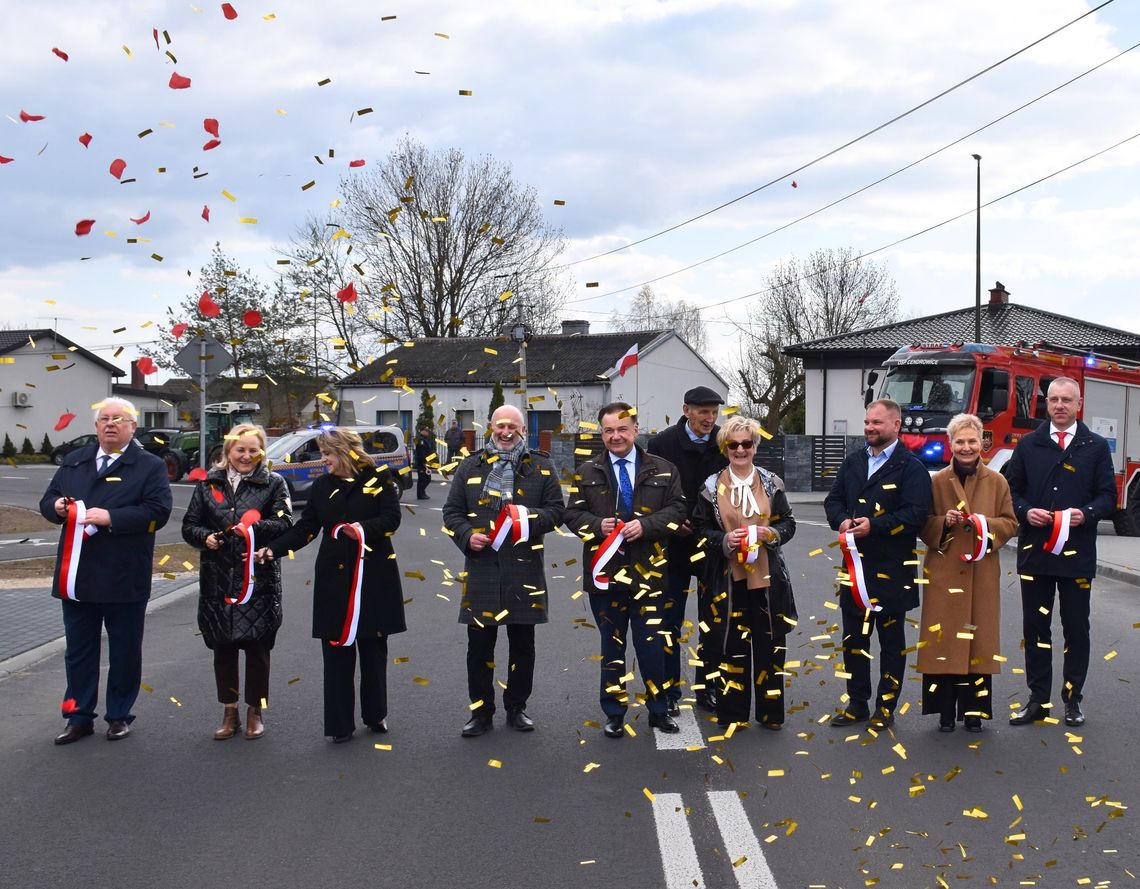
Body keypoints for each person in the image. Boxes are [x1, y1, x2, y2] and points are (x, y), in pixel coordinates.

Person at [259, 427, 406, 743]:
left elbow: (392, 519)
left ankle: (375, 714)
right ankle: (340, 725)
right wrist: (274, 549)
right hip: (334, 579)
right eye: (322, 453)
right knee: (337, 650)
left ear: (346, 452)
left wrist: (362, 529)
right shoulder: (322, 486)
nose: (322, 460)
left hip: (373, 575)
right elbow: (307, 528)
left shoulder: (379, 479)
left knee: (372, 648)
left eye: (327, 454)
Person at [39, 397, 173, 744]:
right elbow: (49, 499)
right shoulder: (75, 461)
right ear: (96, 426)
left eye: (118, 419)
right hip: (78, 574)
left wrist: (111, 517)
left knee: (125, 650)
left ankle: (118, 715)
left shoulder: (149, 466)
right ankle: (78, 716)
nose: (110, 424)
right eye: (104, 419)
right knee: (79, 651)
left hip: (124, 574)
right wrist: (54, 506)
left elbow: (158, 511)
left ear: (132, 427)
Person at [565, 402, 688, 738]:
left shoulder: (663, 469)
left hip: (649, 575)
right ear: (601, 433)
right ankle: (614, 711)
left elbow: (678, 510)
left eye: (622, 429)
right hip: (605, 577)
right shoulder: (587, 471)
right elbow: (572, 515)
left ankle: (659, 709)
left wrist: (645, 526)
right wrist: (595, 525)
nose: (615, 436)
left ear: (635, 430)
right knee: (612, 646)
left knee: (652, 646)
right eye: (608, 430)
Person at [442, 405, 565, 737]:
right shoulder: (470, 466)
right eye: (500, 426)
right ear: (491, 429)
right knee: (479, 646)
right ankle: (481, 712)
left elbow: (556, 511)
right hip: (482, 569)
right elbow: (452, 512)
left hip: (524, 569)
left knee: (522, 645)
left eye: (513, 427)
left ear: (523, 429)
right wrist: (468, 536)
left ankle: (516, 707)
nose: (506, 432)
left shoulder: (540, 466)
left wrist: (524, 520)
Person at [1003, 377, 1115, 728]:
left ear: (1078, 404)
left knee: (1076, 629)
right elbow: (1011, 490)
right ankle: (1038, 699)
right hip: (1035, 553)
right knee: (1036, 628)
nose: (1060, 406)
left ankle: (1073, 699)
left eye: (1067, 400)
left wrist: (1088, 514)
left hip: (1077, 555)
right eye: (1054, 400)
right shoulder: (1029, 444)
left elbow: (1107, 496)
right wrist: (1024, 511)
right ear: (1045, 404)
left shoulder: (1095, 447)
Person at [824, 399, 932, 731]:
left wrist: (876, 525)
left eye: (878, 423)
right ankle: (857, 703)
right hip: (855, 568)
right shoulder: (854, 461)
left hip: (893, 569)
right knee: (854, 639)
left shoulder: (911, 467)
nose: (870, 428)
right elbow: (833, 500)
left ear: (896, 425)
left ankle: (885, 707)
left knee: (890, 642)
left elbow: (917, 514)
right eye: (868, 422)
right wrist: (842, 521)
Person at [182, 423, 292, 740]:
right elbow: (190, 525)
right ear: (227, 451)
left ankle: (255, 711)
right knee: (223, 647)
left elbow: (285, 521)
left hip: (258, 577)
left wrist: (253, 532)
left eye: (252, 450)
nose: (246, 456)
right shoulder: (207, 484)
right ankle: (229, 712)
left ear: (261, 452)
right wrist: (207, 538)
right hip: (217, 579)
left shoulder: (273, 483)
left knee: (258, 648)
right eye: (239, 449)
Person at [692, 416, 797, 730]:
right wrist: (723, 540)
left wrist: (771, 535)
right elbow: (699, 530)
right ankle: (734, 711)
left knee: (770, 645)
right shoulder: (710, 487)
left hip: (767, 578)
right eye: (733, 444)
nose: (740, 450)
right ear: (725, 448)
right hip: (727, 578)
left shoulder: (771, 482)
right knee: (731, 646)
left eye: (746, 443)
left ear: (755, 446)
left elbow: (788, 523)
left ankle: (771, 713)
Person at [916, 414, 1017, 733]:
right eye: (960, 441)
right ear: (950, 444)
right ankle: (944, 712)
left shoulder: (998, 481)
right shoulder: (935, 481)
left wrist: (984, 524)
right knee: (944, 642)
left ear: (982, 444)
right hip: (944, 572)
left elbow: (1011, 523)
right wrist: (942, 523)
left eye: (972, 441)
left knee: (979, 642)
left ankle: (974, 712)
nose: (966, 447)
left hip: (981, 573)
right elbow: (923, 524)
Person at [647, 385, 728, 715]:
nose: (709, 419)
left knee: (713, 620)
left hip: (711, 543)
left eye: (714, 412)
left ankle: (707, 686)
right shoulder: (661, 444)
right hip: (672, 546)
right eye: (703, 412)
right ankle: (668, 690)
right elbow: (652, 491)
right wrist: (672, 522)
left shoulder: (725, 440)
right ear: (686, 410)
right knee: (669, 621)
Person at [414, 425, 435, 500]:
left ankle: (421, 493)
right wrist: (424, 462)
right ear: (422, 431)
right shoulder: (421, 440)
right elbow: (421, 453)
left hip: (424, 462)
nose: (428, 432)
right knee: (424, 479)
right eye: (426, 431)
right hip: (422, 463)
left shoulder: (423, 439)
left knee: (424, 479)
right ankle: (421, 494)